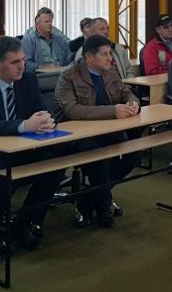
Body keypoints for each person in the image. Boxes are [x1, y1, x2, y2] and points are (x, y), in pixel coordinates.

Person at [0, 37, 63, 263]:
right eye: (15, 62)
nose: (21, 66)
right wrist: (24, 125)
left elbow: (39, 109)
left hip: (18, 146)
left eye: (23, 60)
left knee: (54, 166)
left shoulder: (28, 79)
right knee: (2, 178)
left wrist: (45, 120)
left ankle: (26, 222)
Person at [55, 35, 141, 227]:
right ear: (89, 57)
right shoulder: (68, 76)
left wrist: (133, 104)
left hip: (107, 131)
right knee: (100, 158)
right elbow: (72, 110)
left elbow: (127, 93)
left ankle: (87, 200)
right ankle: (103, 206)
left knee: (135, 153)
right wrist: (112, 111)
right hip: (77, 136)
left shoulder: (111, 72)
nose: (110, 58)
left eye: (110, 53)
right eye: (104, 54)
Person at [21, 7, 71, 72]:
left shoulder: (58, 37)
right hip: (41, 74)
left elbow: (69, 57)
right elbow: (25, 63)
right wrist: (42, 67)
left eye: (51, 21)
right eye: (46, 22)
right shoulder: (29, 39)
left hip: (60, 72)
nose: (50, 24)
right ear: (37, 24)